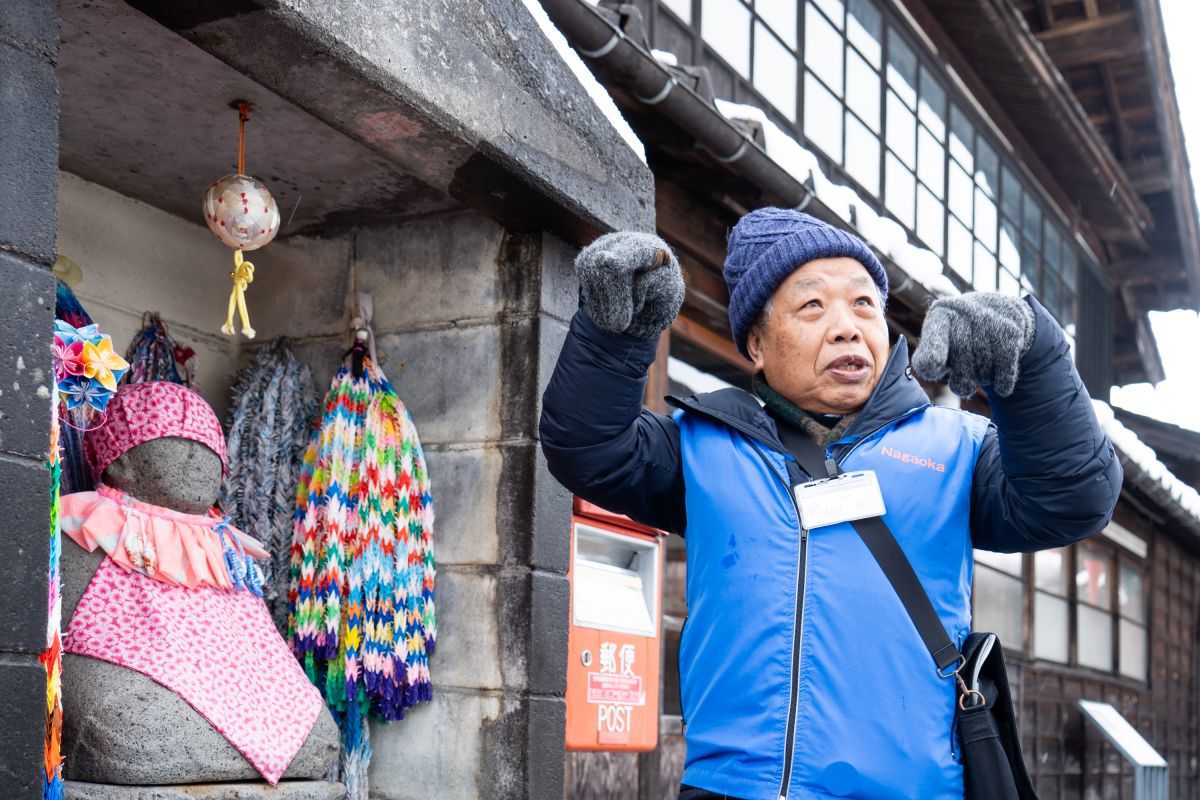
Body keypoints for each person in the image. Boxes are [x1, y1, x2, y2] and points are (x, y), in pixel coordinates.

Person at [539, 207, 1121, 800]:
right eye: (813, 306)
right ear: (757, 345)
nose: (847, 327)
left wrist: (1036, 358)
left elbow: (1075, 497)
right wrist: (617, 335)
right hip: (730, 789)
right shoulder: (702, 446)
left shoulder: (958, 448)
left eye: (864, 304)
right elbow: (588, 450)